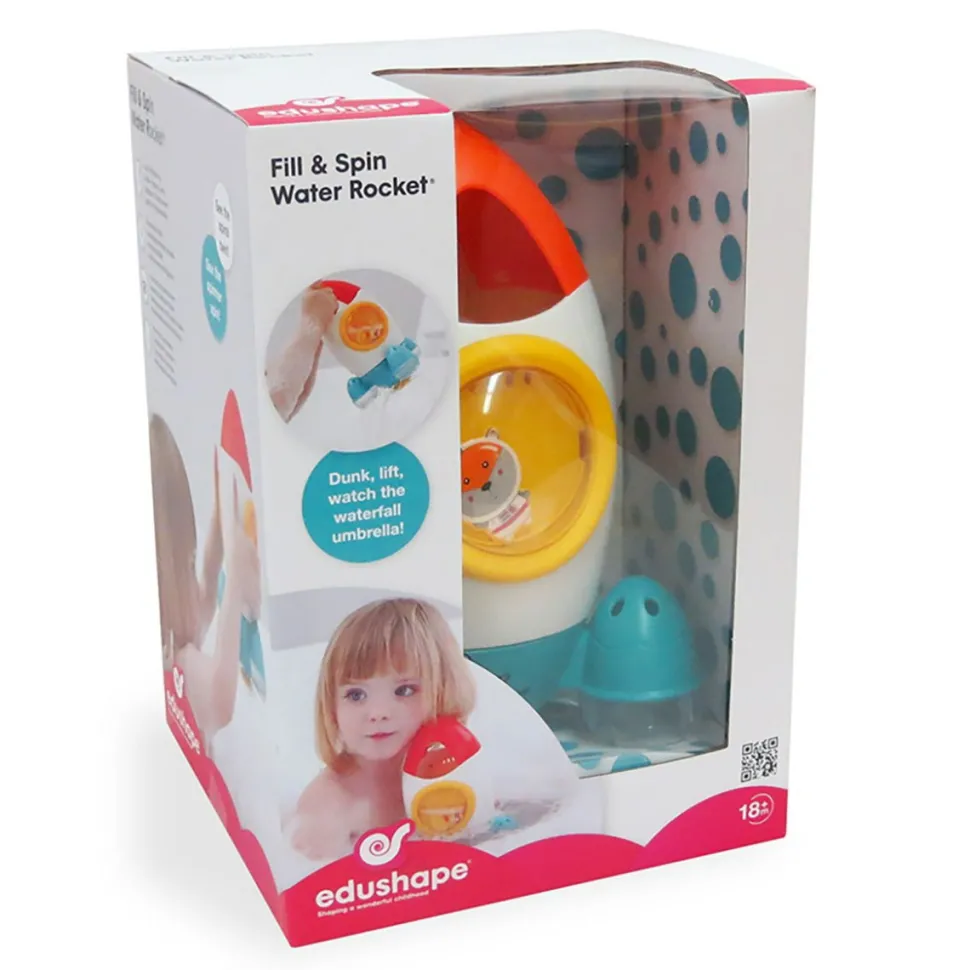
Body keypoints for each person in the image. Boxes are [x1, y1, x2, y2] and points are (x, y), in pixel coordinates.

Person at [288, 598, 475, 861]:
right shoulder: (328, 806)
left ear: (445, 690)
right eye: (356, 695)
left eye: (404, 690)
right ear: (331, 707)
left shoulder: (460, 776)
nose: (377, 713)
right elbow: (312, 879)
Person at [149, 413, 261, 751]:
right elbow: (221, 703)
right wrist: (237, 581)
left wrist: (221, 514)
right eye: (187, 563)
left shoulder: (175, 636)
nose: (194, 572)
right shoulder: (180, 660)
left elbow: (208, 585)